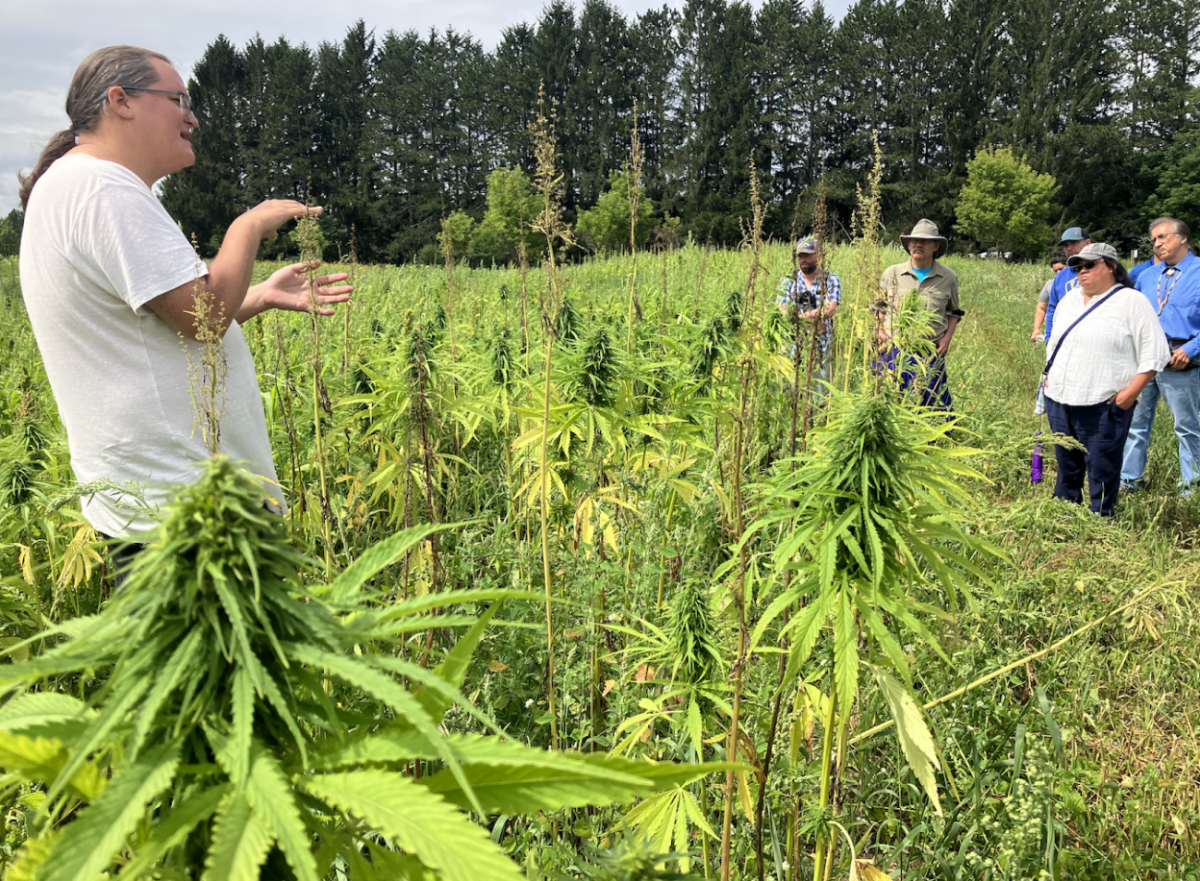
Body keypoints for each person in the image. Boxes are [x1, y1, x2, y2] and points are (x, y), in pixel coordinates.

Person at [18, 45, 352, 544]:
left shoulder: (74, 185)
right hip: (187, 512)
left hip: (162, 501)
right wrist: (250, 223)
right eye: (180, 100)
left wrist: (258, 295)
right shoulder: (102, 188)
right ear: (121, 101)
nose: (193, 119)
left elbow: (158, 320)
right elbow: (204, 316)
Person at [1043, 243, 1168, 516]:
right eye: (1078, 267)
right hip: (1060, 397)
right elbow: (1053, 343)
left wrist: (1129, 395)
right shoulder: (1070, 300)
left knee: (1102, 465)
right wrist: (1049, 379)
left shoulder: (1132, 301)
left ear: (1111, 266)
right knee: (1067, 462)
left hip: (1103, 400)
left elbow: (1156, 353)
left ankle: (1101, 518)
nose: (1082, 271)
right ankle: (1066, 513)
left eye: (1090, 265)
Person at [1120, 217, 1200, 493]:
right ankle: (1129, 481)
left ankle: (1191, 487)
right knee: (1135, 423)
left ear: (1182, 238)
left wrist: (1190, 349)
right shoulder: (1145, 277)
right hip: (1145, 359)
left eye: (1163, 237)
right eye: (1154, 239)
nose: (1157, 243)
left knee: (1186, 426)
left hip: (1181, 362)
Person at [878, 219, 964, 412]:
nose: (918, 244)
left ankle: (936, 441)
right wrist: (879, 331)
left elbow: (954, 312)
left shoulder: (948, 277)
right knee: (888, 403)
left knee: (933, 403)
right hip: (894, 349)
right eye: (914, 240)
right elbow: (878, 308)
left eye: (925, 241)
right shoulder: (892, 273)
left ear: (936, 246)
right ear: (908, 245)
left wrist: (947, 339)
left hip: (930, 351)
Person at [777, 237, 840, 389]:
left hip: (821, 349)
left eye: (807, 255)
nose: (802, 259)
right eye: (800, 256)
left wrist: (797, 318)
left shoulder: (830, 280)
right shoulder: (789, 281)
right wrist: (814, 318)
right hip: (791, 348)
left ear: (818, 255)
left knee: (819, 397)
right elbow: (784, 313)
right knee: (789, 394)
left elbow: (829, 309)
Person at [1043, 226, 1091, 344]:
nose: (1069, 248)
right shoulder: (1061, 277)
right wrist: (1049, 339)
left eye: (1074, 243)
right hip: (1066, 341)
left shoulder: (1102, 271)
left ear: (1088, 243)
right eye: (1066, 245)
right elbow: (1052, 308)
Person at [1031, 252, 1068, 342]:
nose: (1058, 273)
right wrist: (1037, 329)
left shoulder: (1075, 283)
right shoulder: (1049, 285)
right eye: (1055, 271)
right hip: (1053, 330)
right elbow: (1041, 308)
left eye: (1061, 269)